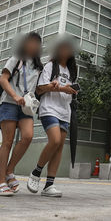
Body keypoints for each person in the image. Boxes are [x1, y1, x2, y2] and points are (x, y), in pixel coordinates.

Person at [0, 32, 43, 196]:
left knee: (27, 136)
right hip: (9, 103)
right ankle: (0, 182)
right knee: (7, 141)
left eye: (37, 44)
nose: (34, 46)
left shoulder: (38, 66)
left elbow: (37, 89)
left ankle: (9, 170)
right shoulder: (16, 59)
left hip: (26, 107)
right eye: (32, 42)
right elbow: (3, 79)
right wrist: (15, 96)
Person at [28, 37, 78, 198]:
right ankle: (36, 172)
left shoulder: (72, 71)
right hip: (49, 109)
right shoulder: (50, 66)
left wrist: (72, 91)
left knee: (59, 147)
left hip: (65, 111)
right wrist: (59, 88)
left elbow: (69, 90)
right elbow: (40, 88)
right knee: (55, 140)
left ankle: (49, 185)